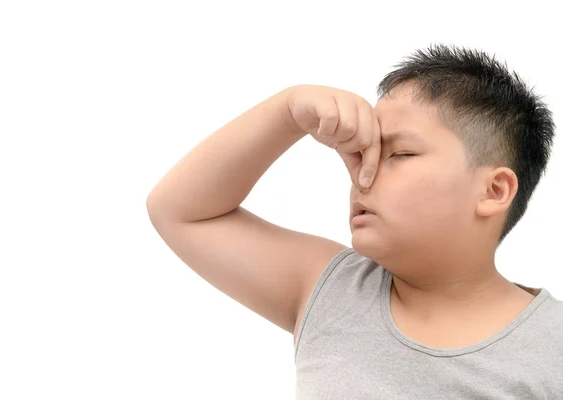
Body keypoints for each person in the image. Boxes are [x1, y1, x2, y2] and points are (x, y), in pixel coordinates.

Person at [146, 43, 562, 398]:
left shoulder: (552, 345)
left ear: (494, 191)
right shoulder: (332, 290)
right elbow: (181, 212)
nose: (362, 176)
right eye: (363, 156)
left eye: (398, 155)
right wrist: (288, 113)